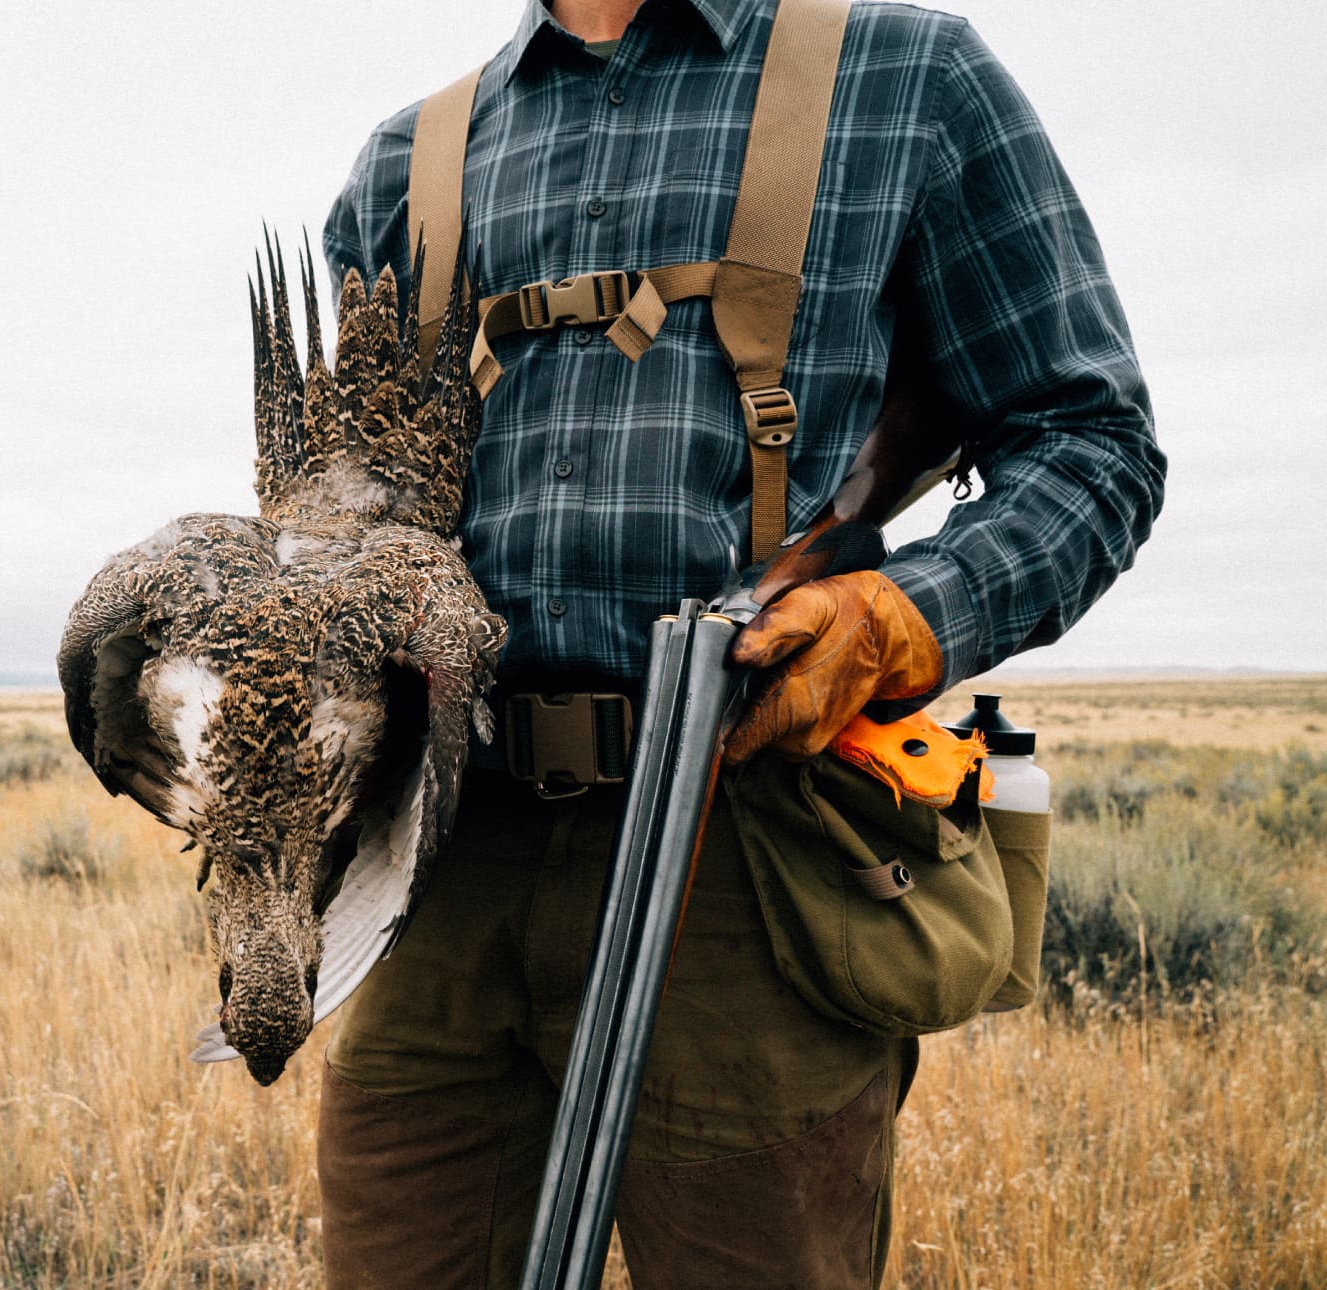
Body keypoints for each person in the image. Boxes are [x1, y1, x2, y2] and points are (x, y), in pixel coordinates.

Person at [314, 0, 1165, 1285]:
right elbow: (342, 511)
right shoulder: (405, 159)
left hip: (740, 847)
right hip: (437, 865)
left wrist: (894, 619)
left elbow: (1090, 442)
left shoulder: (906, 76)